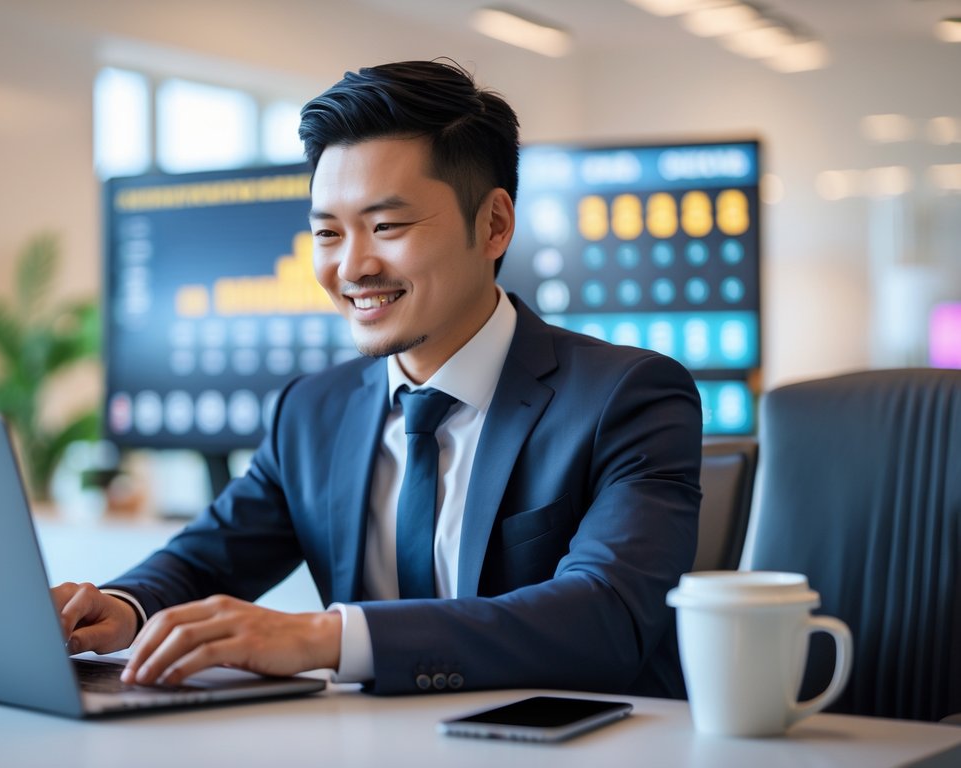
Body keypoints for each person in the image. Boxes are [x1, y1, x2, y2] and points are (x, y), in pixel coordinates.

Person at [52, 59, 701, 697]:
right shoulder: (312, 409)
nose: (353, 266)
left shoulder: (627, 396)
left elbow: (603, 618)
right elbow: (207, 556)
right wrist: (120, 604)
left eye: (386, 226)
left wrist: (326, 639)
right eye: (327, 232)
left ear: (494, 224)